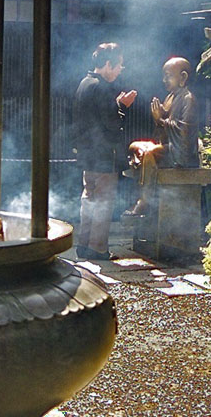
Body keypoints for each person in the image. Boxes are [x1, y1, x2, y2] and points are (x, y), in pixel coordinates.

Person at [73, 42, 137, 260]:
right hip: (102, 155)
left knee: (88, 198)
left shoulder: (85, 83)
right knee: (103, 201)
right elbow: (111, 124)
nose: (120, 70)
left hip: (87, 154)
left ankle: (84, 245)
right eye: (119, 65)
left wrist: (116, 104)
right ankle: (98, 248)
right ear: (108, 64)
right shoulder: (101, 87)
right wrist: (122, 106)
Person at [127, 56, 199, 214]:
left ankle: (144, 200)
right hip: (168, 146)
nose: (164, 80)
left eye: (169, 75)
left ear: (183, 77)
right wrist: (161, 117)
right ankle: (144, 175)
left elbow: (183, 131)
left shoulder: (188, 99)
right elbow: (165, 125)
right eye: (164, 76)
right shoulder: (170, 97)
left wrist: (161, 119)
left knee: (150, 152)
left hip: (180, 152)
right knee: (134, 146)